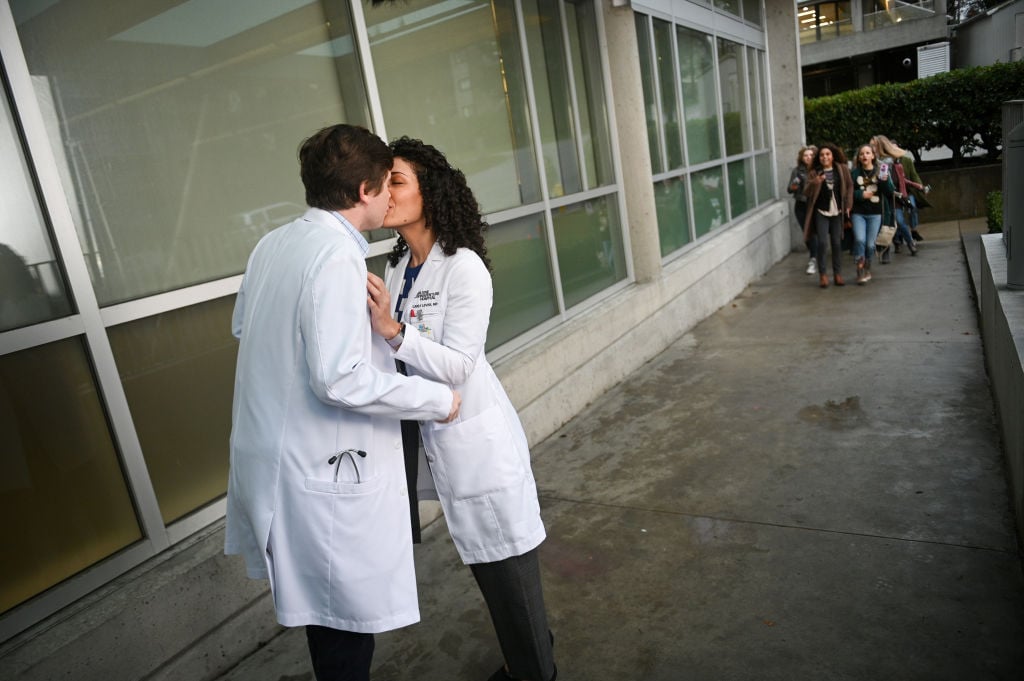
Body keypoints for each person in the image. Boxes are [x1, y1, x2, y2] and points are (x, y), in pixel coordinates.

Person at [225, 124, 461, 681]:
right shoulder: (335, 257)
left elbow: (245, 327)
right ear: (363, 192)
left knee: (328, 619)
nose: (390, 198)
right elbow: (340, 380)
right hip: (320, 469)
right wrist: (436, 399)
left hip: (283, 460)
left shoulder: (274, 243)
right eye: (386, 186)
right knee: (344, 628)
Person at [366, 137, 556, 681]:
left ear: (432, 191)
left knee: (512, 581)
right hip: (438, 441)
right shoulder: (399, 264)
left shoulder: (463, 268)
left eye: (396, 181)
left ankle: (537, 670)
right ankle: (529, 660)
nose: (386, 194)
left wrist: (393, 331)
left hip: (479, 450)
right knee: (494, 582)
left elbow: (458, 365)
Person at [870, 134, 929, 261]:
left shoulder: (890, 164)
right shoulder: (870, 163)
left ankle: (910, 243)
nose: (871, 148)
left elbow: (902, 180)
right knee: (883, 225)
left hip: (894, 197)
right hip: (878, 199)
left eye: (873, 145)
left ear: (880, 146)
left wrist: (918, 187)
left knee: (900, 222)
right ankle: (886, 252)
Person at [802, 143, 853, 288]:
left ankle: (838, 274)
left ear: (833, 155)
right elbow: (806, 192)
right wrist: (815, 183)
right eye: (822, 155)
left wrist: (848, 205)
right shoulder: (814, 172)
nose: (825, 157)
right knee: (823, 243)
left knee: (837, 243)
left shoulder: (841, 169)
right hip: (821, 211)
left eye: (828, 154)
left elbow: (849, 186)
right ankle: (823, 275)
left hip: (837, 211)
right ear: (819, 157)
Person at [849, 144, 894, 285]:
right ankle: (860, 269)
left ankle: (867, 266)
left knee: (870, 245)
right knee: (860, 240)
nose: (864, 156)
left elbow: (889, 192)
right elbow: (848, 193)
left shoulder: (880, 171)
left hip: (875, 214)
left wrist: (885, 181)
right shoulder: (855, 173)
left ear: (873, 156)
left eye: (868, 153)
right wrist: (860, 194)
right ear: (859, 157)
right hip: (858, 213)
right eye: (862, 153)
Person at [787, 145, 818, 275]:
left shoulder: (818, 170)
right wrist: (795, 185)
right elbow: (789, 189)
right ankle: (814, 254)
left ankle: (813, 258)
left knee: (814, 233)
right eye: (806, 155)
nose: (808, 158)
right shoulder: (797, 171)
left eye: (811, 155)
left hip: (814, 205)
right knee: (806, 235)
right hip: (801, 204)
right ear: (802, 157)